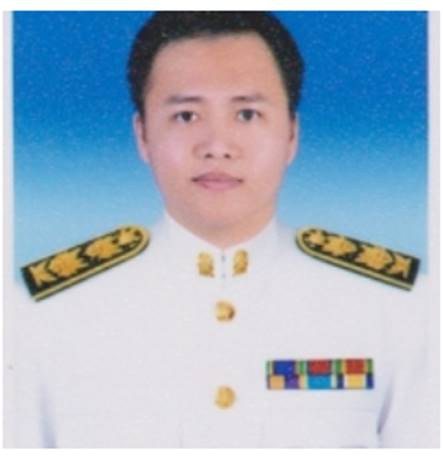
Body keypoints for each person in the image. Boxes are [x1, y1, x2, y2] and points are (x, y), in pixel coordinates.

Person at [11, 11, 435, 448]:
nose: (217, 146)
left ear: (291, 134)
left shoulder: (399, 309)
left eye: (247, 114)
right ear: (143, 135)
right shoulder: (37, 316)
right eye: (186, 116)